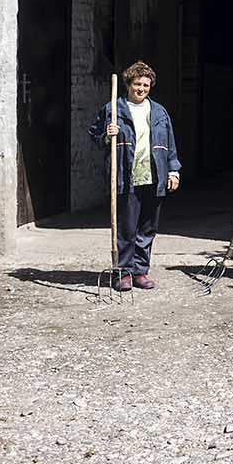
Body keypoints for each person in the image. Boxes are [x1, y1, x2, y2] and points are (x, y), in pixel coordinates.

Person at [86, 60, 181, 291]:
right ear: (128, 84)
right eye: (137, 84)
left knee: (147, 228)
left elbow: (169, 143)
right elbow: (94, 134)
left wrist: (173, 169)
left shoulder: (159, 111)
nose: (141, 89)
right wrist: (108, 135)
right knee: (126, 228)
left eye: (146, 85)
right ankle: (124, 272)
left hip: (154, 176)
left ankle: (140, 271)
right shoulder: (113, 109)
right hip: (125, 177)